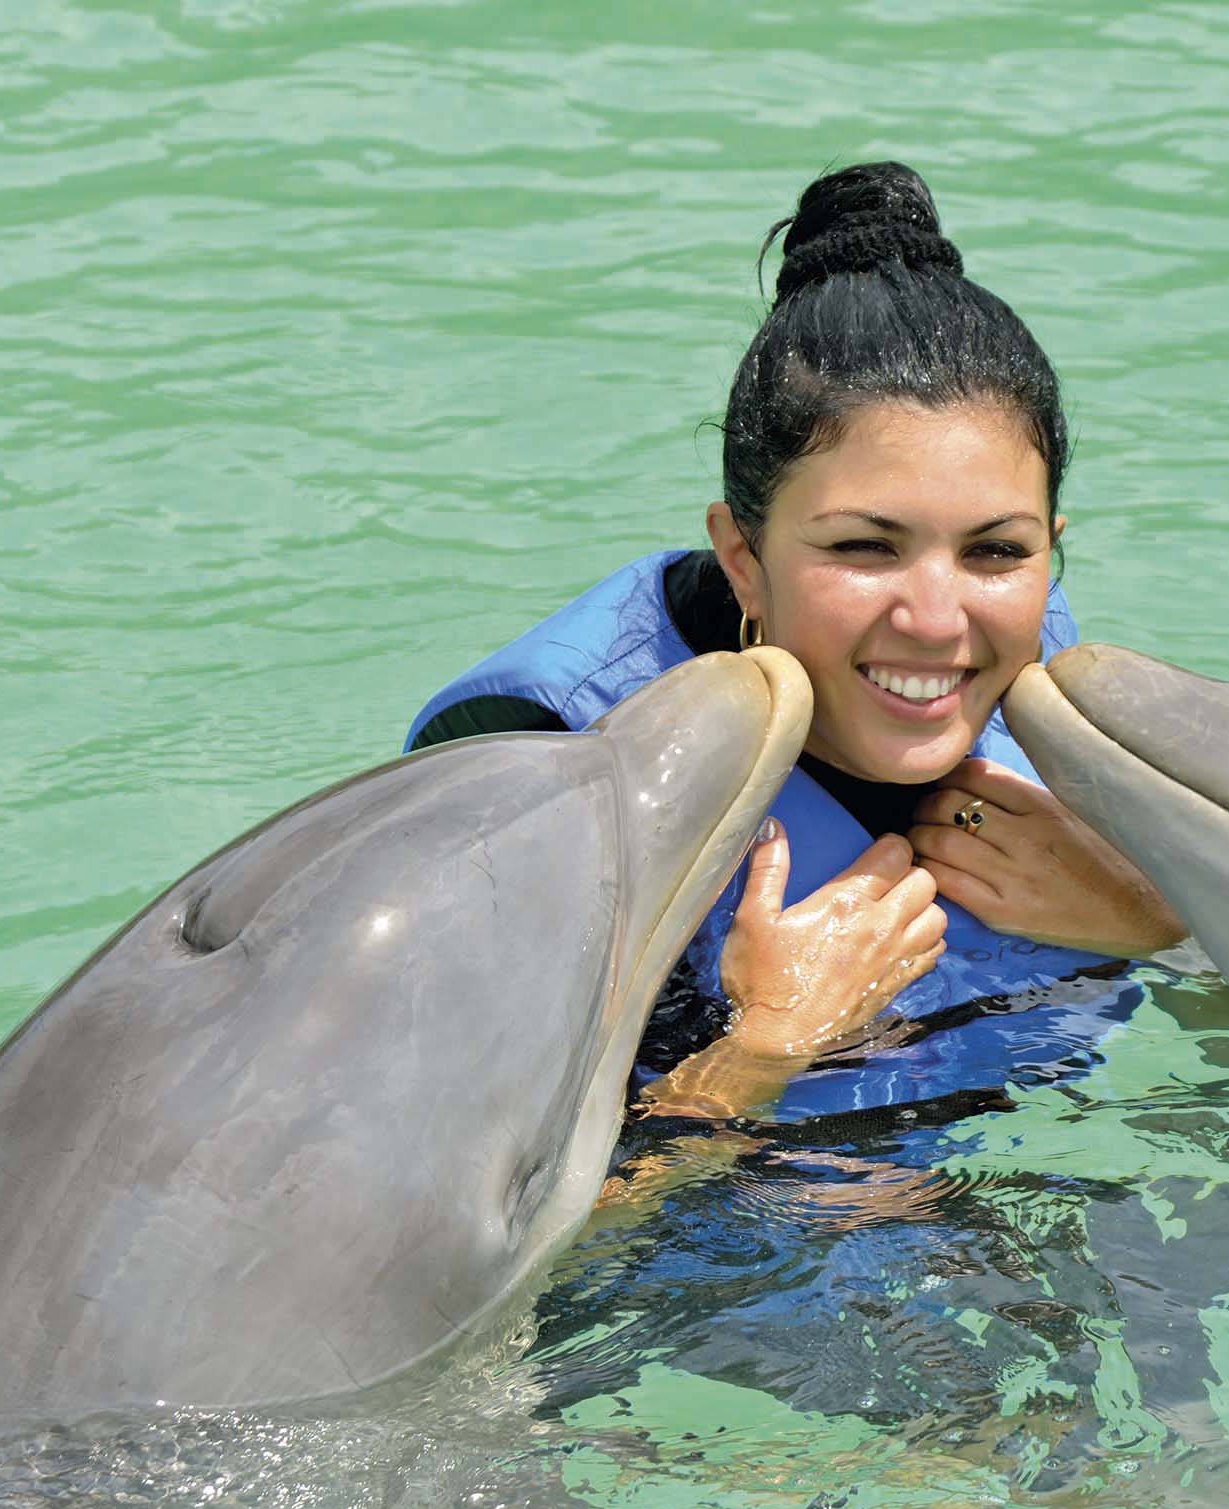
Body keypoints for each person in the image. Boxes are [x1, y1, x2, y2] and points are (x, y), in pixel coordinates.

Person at [405, 162, 1182, 1122]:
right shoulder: (536, 766)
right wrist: (762, 1048)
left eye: (994, 550)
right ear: (741, 553)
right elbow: (442, 1225)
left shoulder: (1047, 687)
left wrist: (1150, 921)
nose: (939, 620)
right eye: (864, 546)